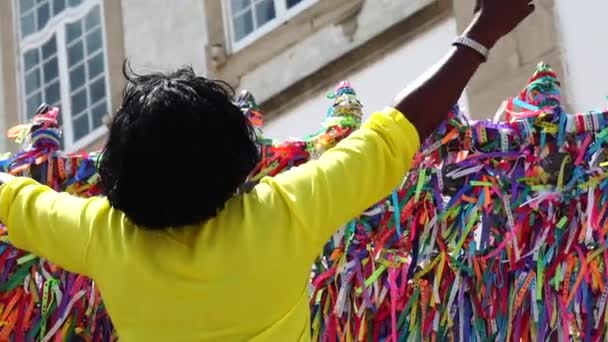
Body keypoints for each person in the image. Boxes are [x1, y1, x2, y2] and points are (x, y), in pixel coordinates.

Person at [0, 1, 535, 341]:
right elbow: (399, 128)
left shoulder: (103, 236)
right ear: (235, 155)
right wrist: (483, 30)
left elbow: (11, 200)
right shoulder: (284, 212)